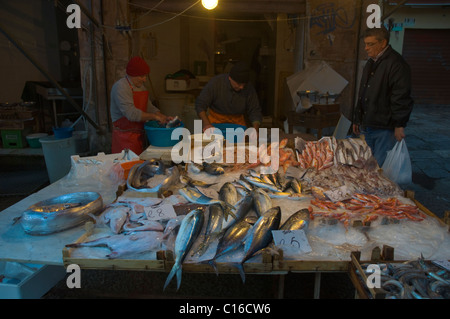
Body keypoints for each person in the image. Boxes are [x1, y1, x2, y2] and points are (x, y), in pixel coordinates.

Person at [352, 26, 414, 166]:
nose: (366, 48)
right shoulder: (371, 62)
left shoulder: (396, 64)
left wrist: (399, 124)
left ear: (383, 43)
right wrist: (357, 117)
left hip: (384, 126)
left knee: (381, 167)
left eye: (370, 44)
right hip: (369, 123)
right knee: (369, 165)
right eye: (365, 44)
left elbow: (401, 96)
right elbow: (363, 92)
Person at [110, 56, 172, 154]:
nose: (145, 79)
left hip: (139, 136)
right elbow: (131, 114)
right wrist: (154, 117)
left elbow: (148, 107)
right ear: (132, 75)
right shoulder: (121, 87)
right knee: (126, 167)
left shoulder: (141, 87)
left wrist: (162, 116)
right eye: (142, 76)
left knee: (139, 165)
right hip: (124, 138)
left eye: (145, 76)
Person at [195, 61, 263, 132]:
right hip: (215, 123)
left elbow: (255, 110)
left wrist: (256, 129)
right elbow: (200, 105)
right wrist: (206, 124)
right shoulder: (216, 83)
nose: (242, 87)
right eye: (238, 84)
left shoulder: (249, 88)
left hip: (238, 124)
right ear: (230, 78)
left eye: (244, 84)